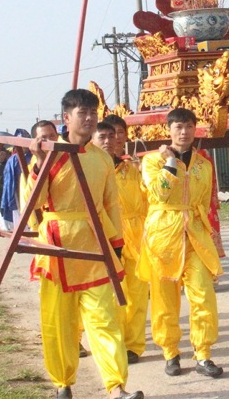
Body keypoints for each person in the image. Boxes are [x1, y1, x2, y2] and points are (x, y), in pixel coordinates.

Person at [22, 89, 143, 399]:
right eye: (82, 113)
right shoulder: (51, 153)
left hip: (94, 246)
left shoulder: (103, 158)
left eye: (93, 113)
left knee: (105, 320)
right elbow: (32, 203)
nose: (89, 119)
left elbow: (110, 204)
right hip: (57, 246)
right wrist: (39, 163)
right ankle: (63, 383)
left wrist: (116, 244)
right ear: (67, 118)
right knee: (59, 321)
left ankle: (116, 387)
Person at [139, 108, 224, 378]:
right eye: (178, 126)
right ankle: (170, 353)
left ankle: (203, 354)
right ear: (169, 129)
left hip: (195, 235)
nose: (183, 132)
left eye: (188, 126)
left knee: (203, 295)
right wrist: (170, 164)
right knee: (165, 299)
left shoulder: (203, 164)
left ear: (195, 128)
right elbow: (160, 195)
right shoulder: (152, 161)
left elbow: (206, 202)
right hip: (163, 235)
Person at [98, 116, 150, 364]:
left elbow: (148, 199)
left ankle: (133, 345)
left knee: (138, 292)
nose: (115, 139)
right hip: (108, 234)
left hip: (137, 234)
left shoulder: (132, 168)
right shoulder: (93, 167)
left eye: (119, 133)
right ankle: (114, 342)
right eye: (109, 134)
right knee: (114, 294)